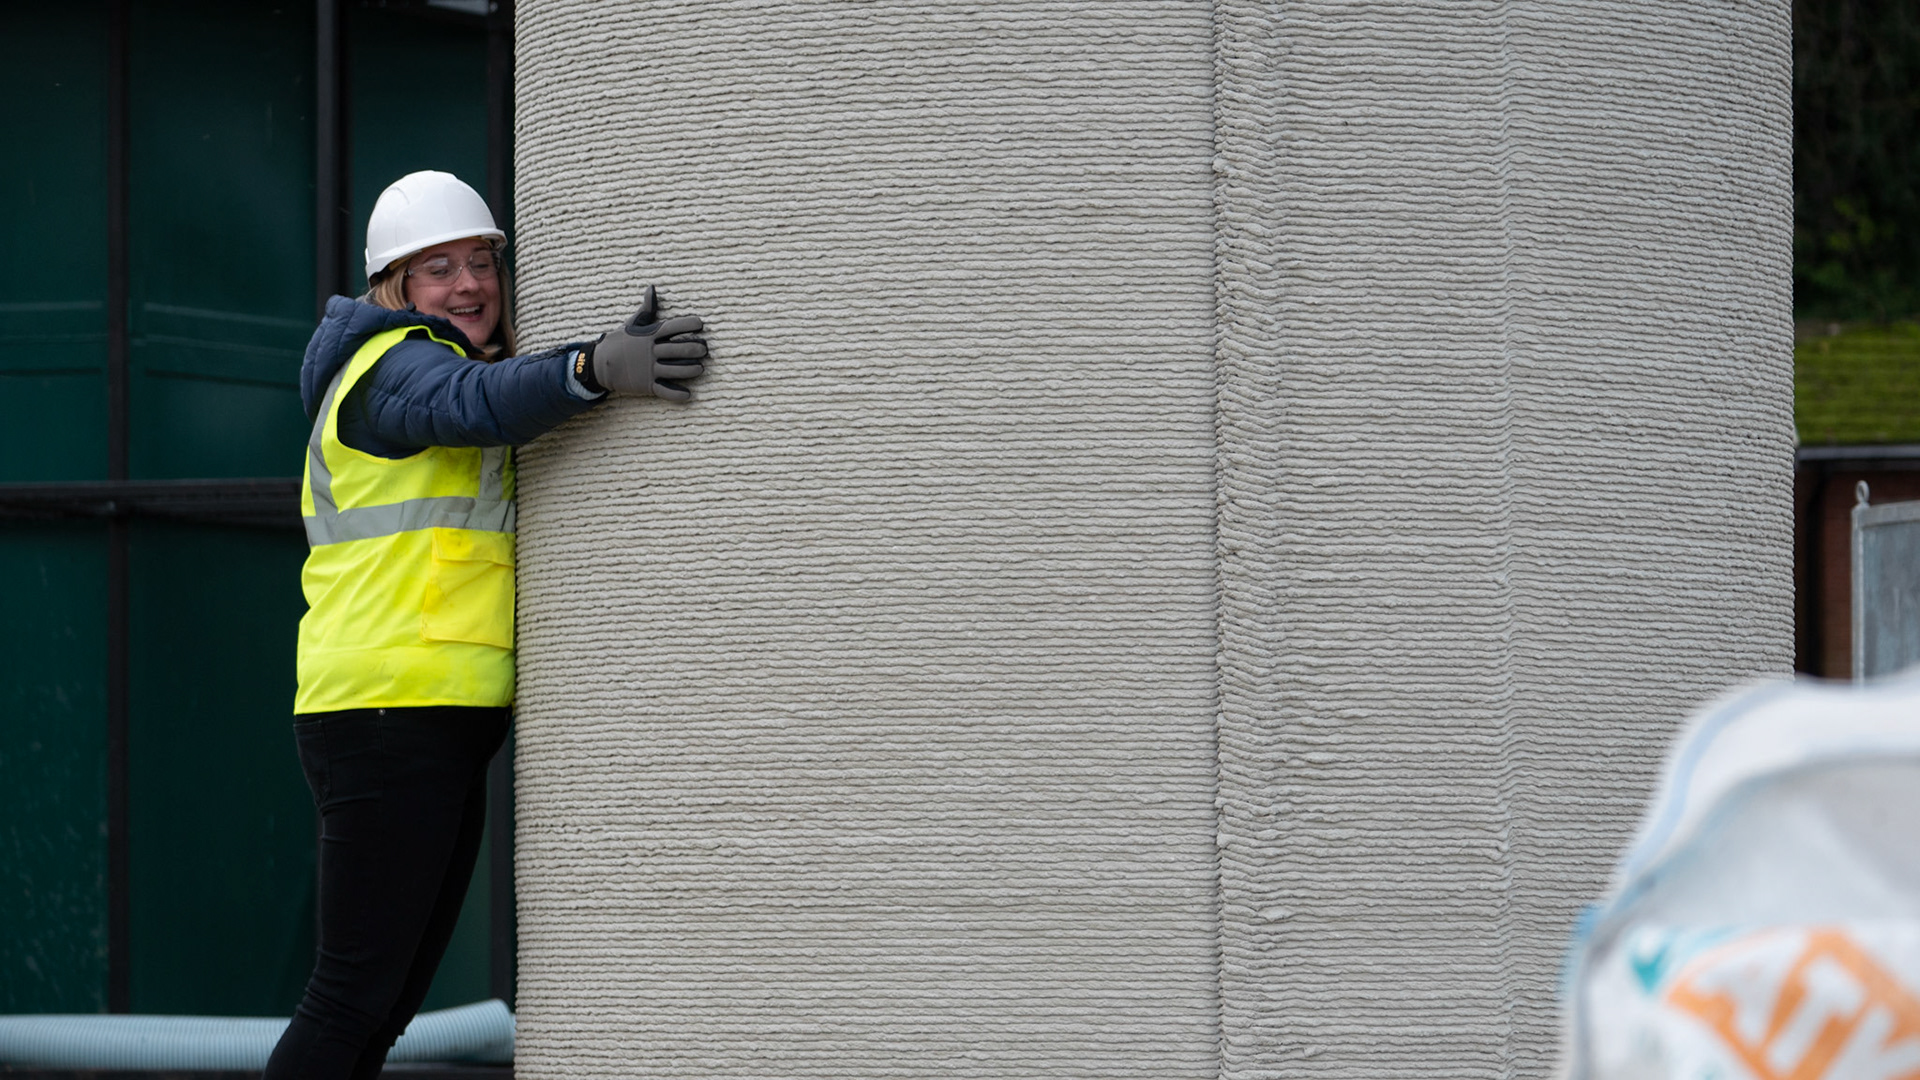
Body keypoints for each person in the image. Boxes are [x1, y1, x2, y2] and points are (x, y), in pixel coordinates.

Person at [264, 170, 707, 1080]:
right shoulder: (393, 366)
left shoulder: (429, 360)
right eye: (439, 270)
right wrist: (589, 370)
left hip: (428, 718)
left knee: (377, 1012)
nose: (469, 285)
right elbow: (466, 405)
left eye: (482, 263)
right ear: (397, 289)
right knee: (350, 1001)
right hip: (388, 713)